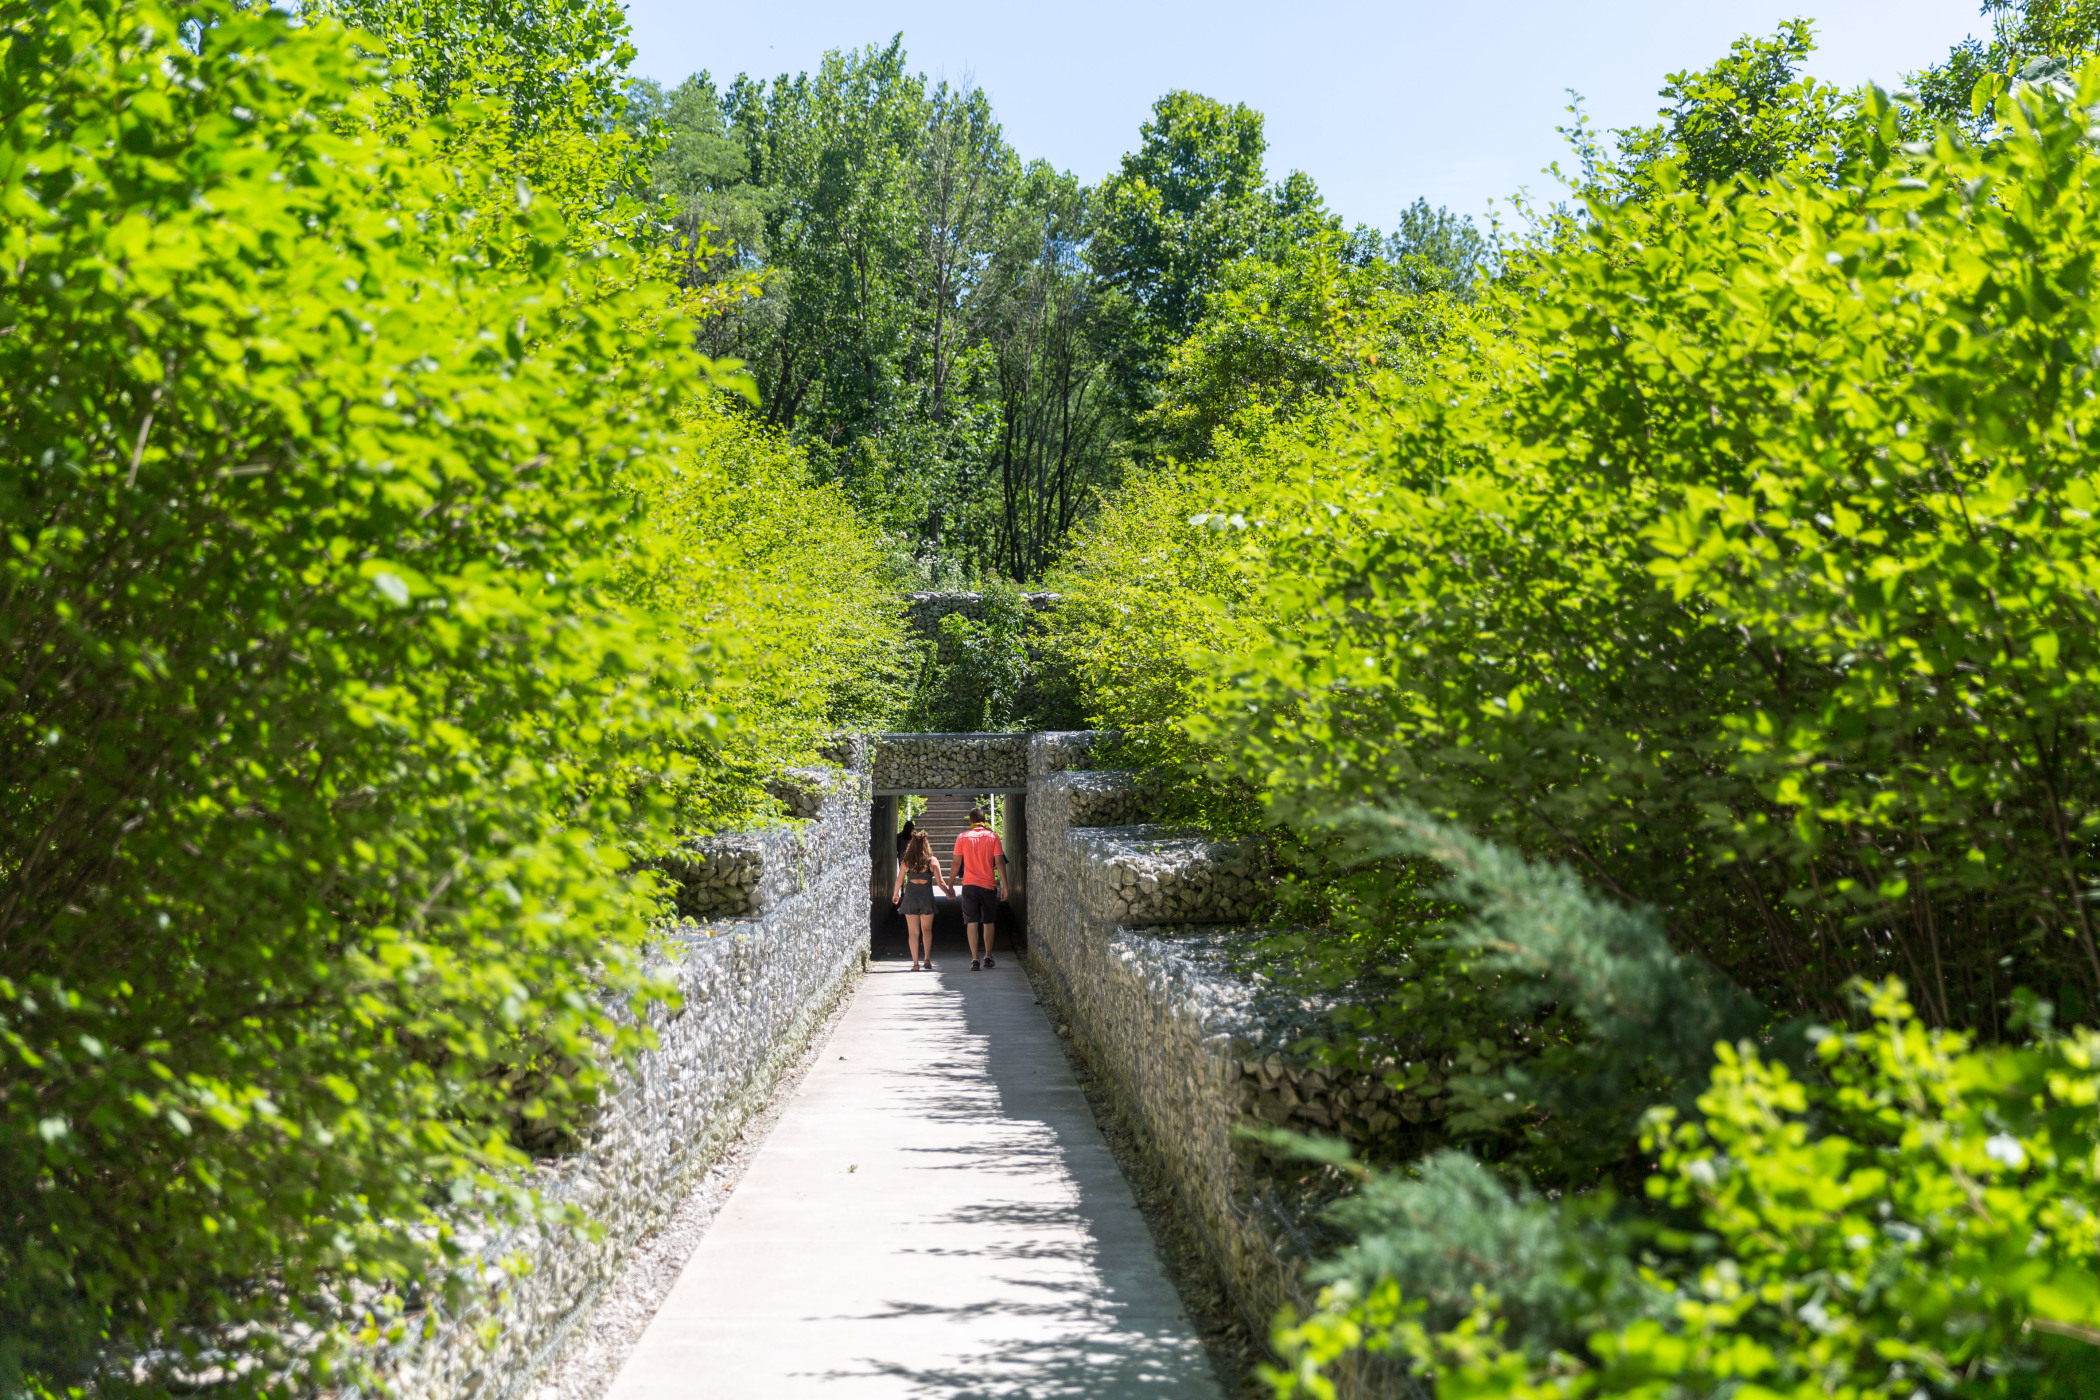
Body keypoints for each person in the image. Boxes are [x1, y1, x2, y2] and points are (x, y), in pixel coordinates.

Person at [951, 806, 1007, 971]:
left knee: (972, 921)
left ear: (970, 821)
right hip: (988, 886)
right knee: (988, 921)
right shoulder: (993, 837)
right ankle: (988, 957)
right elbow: (999, 862)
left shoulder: (962, 837)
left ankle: (975, 959)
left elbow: (956, 862)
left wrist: (950, 883)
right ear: (984, 821)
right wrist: (1005, 885)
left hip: (969, 885)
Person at [892, 828, 952, 972]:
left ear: (911, 845)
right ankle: (927, 959)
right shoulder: (932, 861)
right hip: (926, 898)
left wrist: (896, 894)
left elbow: (899, 880)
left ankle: (915, 964)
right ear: (926, 845)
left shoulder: (906, 862)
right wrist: (948, 893)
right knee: (927, 930)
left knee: (913, 932)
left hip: (911, 897)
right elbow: (940, 882)